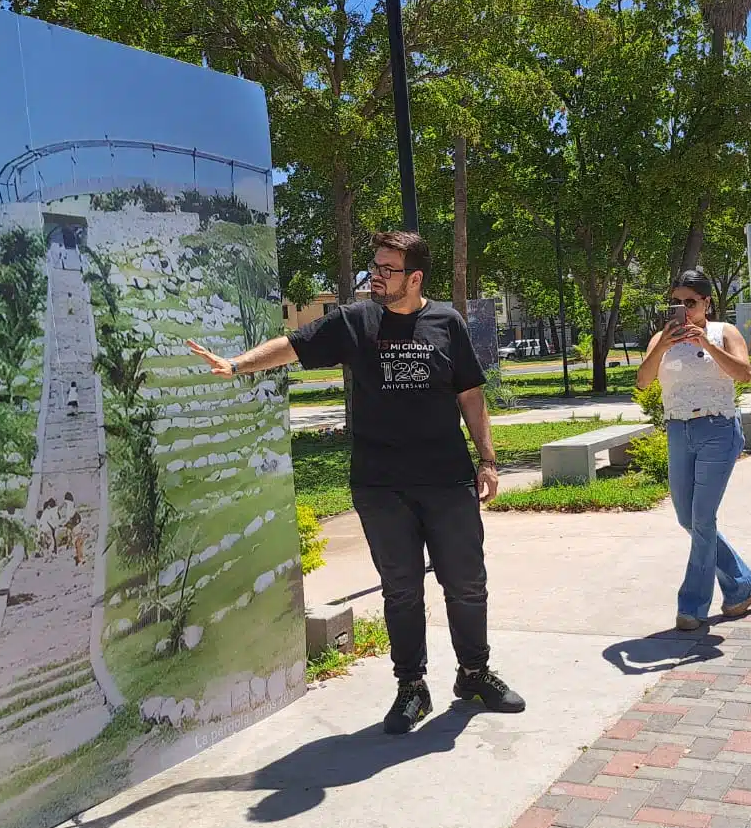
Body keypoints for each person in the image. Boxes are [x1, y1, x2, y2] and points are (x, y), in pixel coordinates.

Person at [187, 230, 524, 735]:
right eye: (374, 267)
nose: (376, 277)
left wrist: (488, 460)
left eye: (388, 270)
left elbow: (471, 394)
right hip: (381, 485)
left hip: (448, 480)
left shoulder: (446, 323)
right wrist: (237, 364)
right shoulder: (355, 321)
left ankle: (474, 674)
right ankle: (411, 687)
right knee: (401, 591)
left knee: (467, 584)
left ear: (415, 277)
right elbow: (293, 346)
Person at [634, 269, 751, 631]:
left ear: (707, 302)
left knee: (703, 519)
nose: (684, 309)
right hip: (678, 430)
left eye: (691, 302)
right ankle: (742, 586)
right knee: (686, 518)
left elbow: (742, 374)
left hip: (718, 430)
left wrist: (705, 343)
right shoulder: (661, 338)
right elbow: (643, 382)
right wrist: (662, 346)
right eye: (677, 303)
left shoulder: (725, 332)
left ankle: (692, 606)